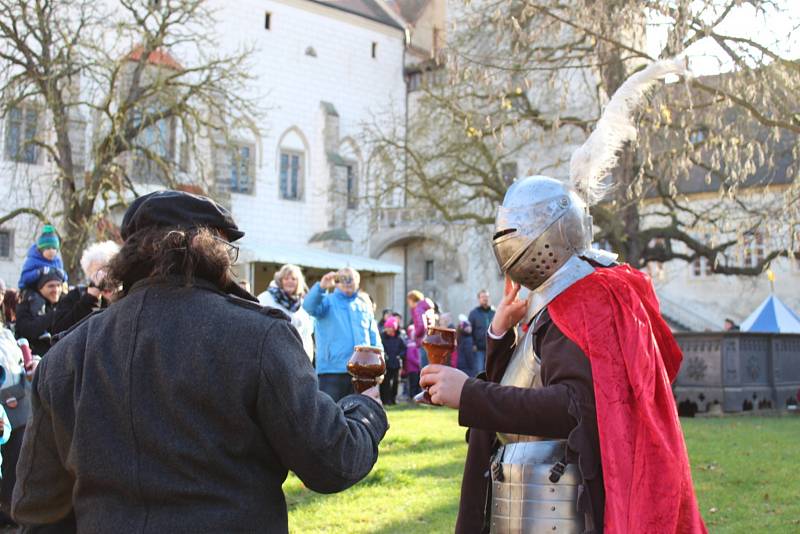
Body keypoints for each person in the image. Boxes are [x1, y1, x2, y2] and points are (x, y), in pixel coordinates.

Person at [419, 60, 706, 533]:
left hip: (558, 501)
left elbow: (576, 405)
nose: (507, 246)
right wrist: (500, 333)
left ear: (548, 237)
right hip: (522, 489)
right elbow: (523, 385)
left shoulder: (586, 298)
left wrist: (469, 392)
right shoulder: (559, 296)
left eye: (517, 234)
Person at [11, 190, 388, 532]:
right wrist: (367, 409)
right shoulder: (257, 337)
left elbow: (36, 506)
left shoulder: (67, 357)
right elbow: (331, 459)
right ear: (215, 250)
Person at [303, 268, 381, 401]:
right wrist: (321, 287)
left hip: (362, 370)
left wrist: (379, 365)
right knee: (331, 415)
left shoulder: (363, 306)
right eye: (343, 278)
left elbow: (374, 338)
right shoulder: (326, 302)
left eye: (351, 278)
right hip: (332, 371)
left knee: (360, 412)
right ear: (336, 282)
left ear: (358, 282)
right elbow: (308, 306)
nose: (347, 282)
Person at [52, 241, 120, 337]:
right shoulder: (76, 296)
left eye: (105, 270)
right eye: (96, 272)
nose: (101, 276)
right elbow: (58, 330)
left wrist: (114, 299)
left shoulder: (124, 294)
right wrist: (89, 300)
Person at [257, 264, 314, 361]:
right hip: (271, 356)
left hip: (296, 359)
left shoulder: (302, 305)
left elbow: (306, 335)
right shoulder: (265, 298)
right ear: (280, 281)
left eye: (293, 279)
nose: (290, 281)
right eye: (286, 278)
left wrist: (307, 359)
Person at [15, 269, 65, 356]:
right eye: (51, 286)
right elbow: (27, 330)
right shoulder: (27, 304)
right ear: (40, 288)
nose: (56, 290)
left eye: (58, 285)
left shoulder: (63, 304)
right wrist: (53, 315)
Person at [17, 225, 68, 290]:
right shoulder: (32, 260)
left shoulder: (58, 262)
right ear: (41, 250)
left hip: (53, 290)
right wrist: (38, 272)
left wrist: (63, 275)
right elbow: (25, 278)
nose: (51, 251)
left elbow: (64, 277)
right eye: (48, 248)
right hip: (33, 290)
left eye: (54, 248)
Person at [467, 289, 495, 377]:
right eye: (482, 297)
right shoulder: (473, 314)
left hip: (492, 348)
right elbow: (469, 331)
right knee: (479, 371)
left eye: (486, 297)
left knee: (492, 370)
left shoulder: (494, 313)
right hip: (479, 348)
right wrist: (473, 344)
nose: (485, 299)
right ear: (479, 299)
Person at [379, 316, 405, 405]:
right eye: (386, 327)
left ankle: (393, 399)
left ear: (394, 328)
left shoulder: (399, 338)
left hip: (396, 364)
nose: (387, 329)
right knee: (385, 383)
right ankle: (386, 400)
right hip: (386, 364)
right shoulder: (382, 337)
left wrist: (400, 356)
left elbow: (404, 349)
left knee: (395, 382)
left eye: (389, 327)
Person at [407, 290, 434, 367]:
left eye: (408, 300)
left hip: (423, 341)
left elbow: (421, 326)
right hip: (429, 340)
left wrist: (414, 333)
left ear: (412, 299)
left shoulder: (418, 309)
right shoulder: (426, 308)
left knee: (424, 369)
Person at [404, 323, 421, 401]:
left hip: (416, 368)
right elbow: (411, 357)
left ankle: (416, 398)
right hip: (412, 368)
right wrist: (419, 363)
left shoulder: (415, 343)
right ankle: (412, 398)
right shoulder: (410, 343)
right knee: (413, 384)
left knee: (417, 383)